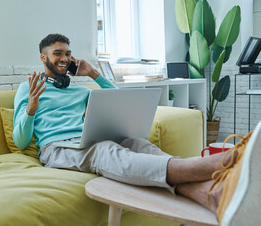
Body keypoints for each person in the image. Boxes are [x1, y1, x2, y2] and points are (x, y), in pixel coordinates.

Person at [13, 33, 260, 225]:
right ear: (43, 57)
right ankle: (212, 165)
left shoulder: (80, 91)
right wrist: (31, 109)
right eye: (58, 53)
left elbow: (120, 100)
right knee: (105, 150)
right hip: (56, 148)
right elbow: (21, 141)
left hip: (84, 139)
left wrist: (94, 74)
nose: (65, 58)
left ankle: (211, 195)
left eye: (68, 53)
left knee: (138, 144)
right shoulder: (29, 88)